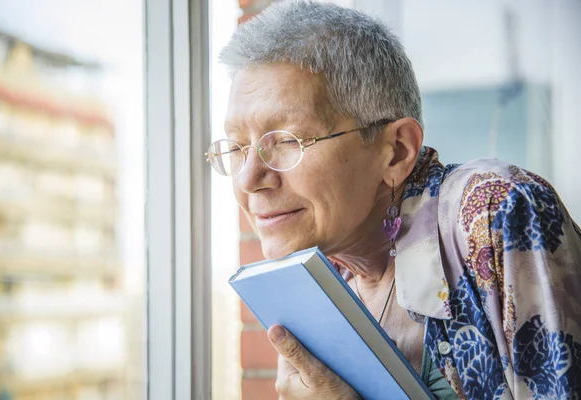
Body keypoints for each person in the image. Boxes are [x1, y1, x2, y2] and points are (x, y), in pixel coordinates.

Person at [207, 1, 581, 398]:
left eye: (286, 141)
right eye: (236, 147)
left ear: (398, 151)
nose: (249, 179)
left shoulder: (495, 212)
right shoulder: (334, 285)